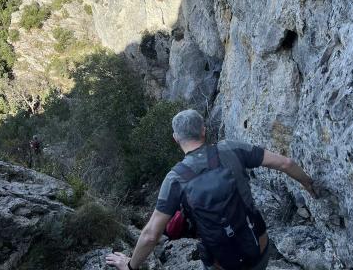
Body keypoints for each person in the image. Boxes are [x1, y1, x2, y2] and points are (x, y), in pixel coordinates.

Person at [106, 109, 316, 270]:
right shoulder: (231, 148)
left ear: (176, 139)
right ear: (203, 130)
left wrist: (130, 265)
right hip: (259, 252)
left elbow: (151, 234)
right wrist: (307, 183)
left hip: (222, 262)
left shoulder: (175, 178)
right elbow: (286, 163)